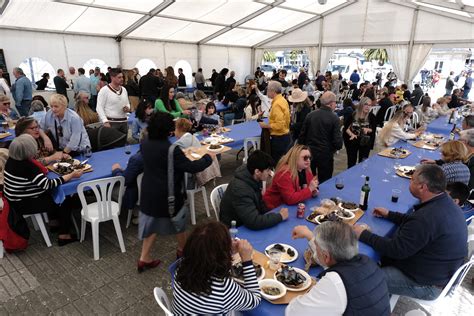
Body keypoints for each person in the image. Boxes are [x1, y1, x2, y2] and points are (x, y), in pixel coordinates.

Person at [353, 164, 467, 300]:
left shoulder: (427, 217)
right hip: (440, 271)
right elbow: (416, 223)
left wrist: (362, 234)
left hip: (429, 284)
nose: (409, 181)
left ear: (422, 187)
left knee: (361, 279)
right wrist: (390, 214)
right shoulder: (443, 201)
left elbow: (396, 250)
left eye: (412, 179)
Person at [138, 112, 213, 270]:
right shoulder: (171, 149)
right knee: (179, 223)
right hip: (168, 194)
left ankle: (144, 258)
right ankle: (183, 253)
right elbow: (191, 167)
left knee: (153, 224)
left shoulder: (145, 143)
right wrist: (208, 158)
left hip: (148, 191)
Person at [287, 222, 390, 315]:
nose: (316, 250)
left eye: (316, 247)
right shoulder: (366, 260)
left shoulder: (334, 283)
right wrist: (309, 235)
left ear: (326, 256)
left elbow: (294, 312)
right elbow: (329, 261)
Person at [3, 134, 83, 245]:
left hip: (14, 200)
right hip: (23, 204)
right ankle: (64, 235)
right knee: (64, 199)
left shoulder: (12, 160)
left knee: (53, 195)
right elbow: (48, 184)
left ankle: (54, 223)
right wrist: (71, 175)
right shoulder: (27, 166)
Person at [172, 222, 261, 315]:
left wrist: (226, 251)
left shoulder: (182, 265)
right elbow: (254, 299)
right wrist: (247, 261)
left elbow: (206, 257)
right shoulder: (223, 289)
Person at [220, 150, 288, 230]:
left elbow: (260, 204)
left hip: (245, 220)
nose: (270, 173)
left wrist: (271, 213)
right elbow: (253, 222)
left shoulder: (251, 176)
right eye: (268, 170)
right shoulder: (241, 190)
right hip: (235, 229)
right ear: (257, 171)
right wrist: (279, 217)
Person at [299, 91, 343, 183]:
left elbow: (302, 136)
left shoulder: (310, 115)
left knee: (309, 180)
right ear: (331, 104)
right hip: (326, 155)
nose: (336, 105)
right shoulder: (334, 118)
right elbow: (338, 143)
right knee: (325, 182)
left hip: (309, 153)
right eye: (335, 102)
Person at [263, 145, 319, 210]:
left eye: (310, 158)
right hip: (273, 208)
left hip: (289, 206)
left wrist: (314, 191)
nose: (308, 160)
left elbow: (311, 186)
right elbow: (290, 199)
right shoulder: (284, 173)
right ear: (295, 158)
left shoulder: (305, 169)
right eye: (305, 158)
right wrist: (309, 189)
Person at [259, 81, 291, 164]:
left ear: (272, 91)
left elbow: (279, 125)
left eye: (268, 90)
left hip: (279, 139)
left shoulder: (277, 104)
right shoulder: (283, 100)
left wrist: (265, 126)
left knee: (278, 164)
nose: (267, 92)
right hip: (285, 137)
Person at [343, 97, 376, 168]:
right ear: (361, 105)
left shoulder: (371, 116)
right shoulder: (353, 114)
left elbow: (373, 130)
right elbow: (346, 128)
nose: (367, 107)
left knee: (363, 163)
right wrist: (352, 134)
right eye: (366, 104)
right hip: (353, 140)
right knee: (351, 163)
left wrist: (368, 129)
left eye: (369, 105)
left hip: (365, 141)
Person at [96, 68, 130, 135]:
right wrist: (105, 121)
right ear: (112, 78)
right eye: (119, 77)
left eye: (122, 77)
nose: (122, 79)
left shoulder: (124, 89)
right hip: (111, 122)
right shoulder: (104, 90)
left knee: (124, 143)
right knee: (113, 144)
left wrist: (127, 108)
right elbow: (99, 107)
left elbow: (127, 103)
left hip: (124, 121)